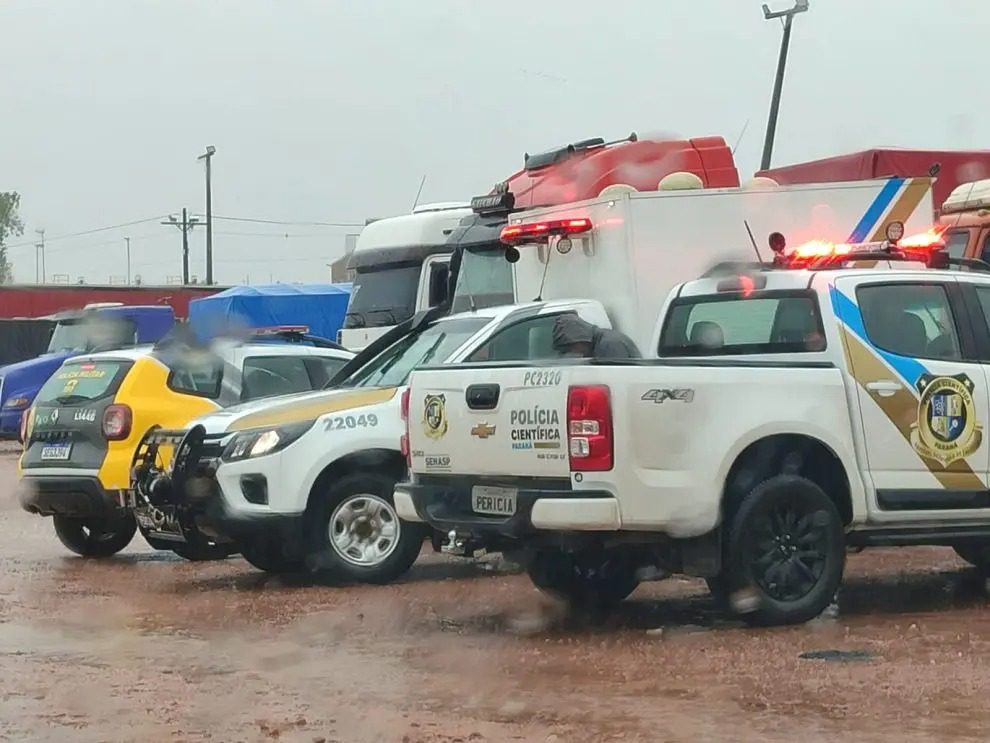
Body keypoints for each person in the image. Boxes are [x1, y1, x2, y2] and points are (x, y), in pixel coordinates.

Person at [551, 314, 641, 359]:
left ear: (579, 339)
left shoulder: (609, 344)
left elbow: (616, 379)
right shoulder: (598, 344)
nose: (574, 352)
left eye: (571, 347)